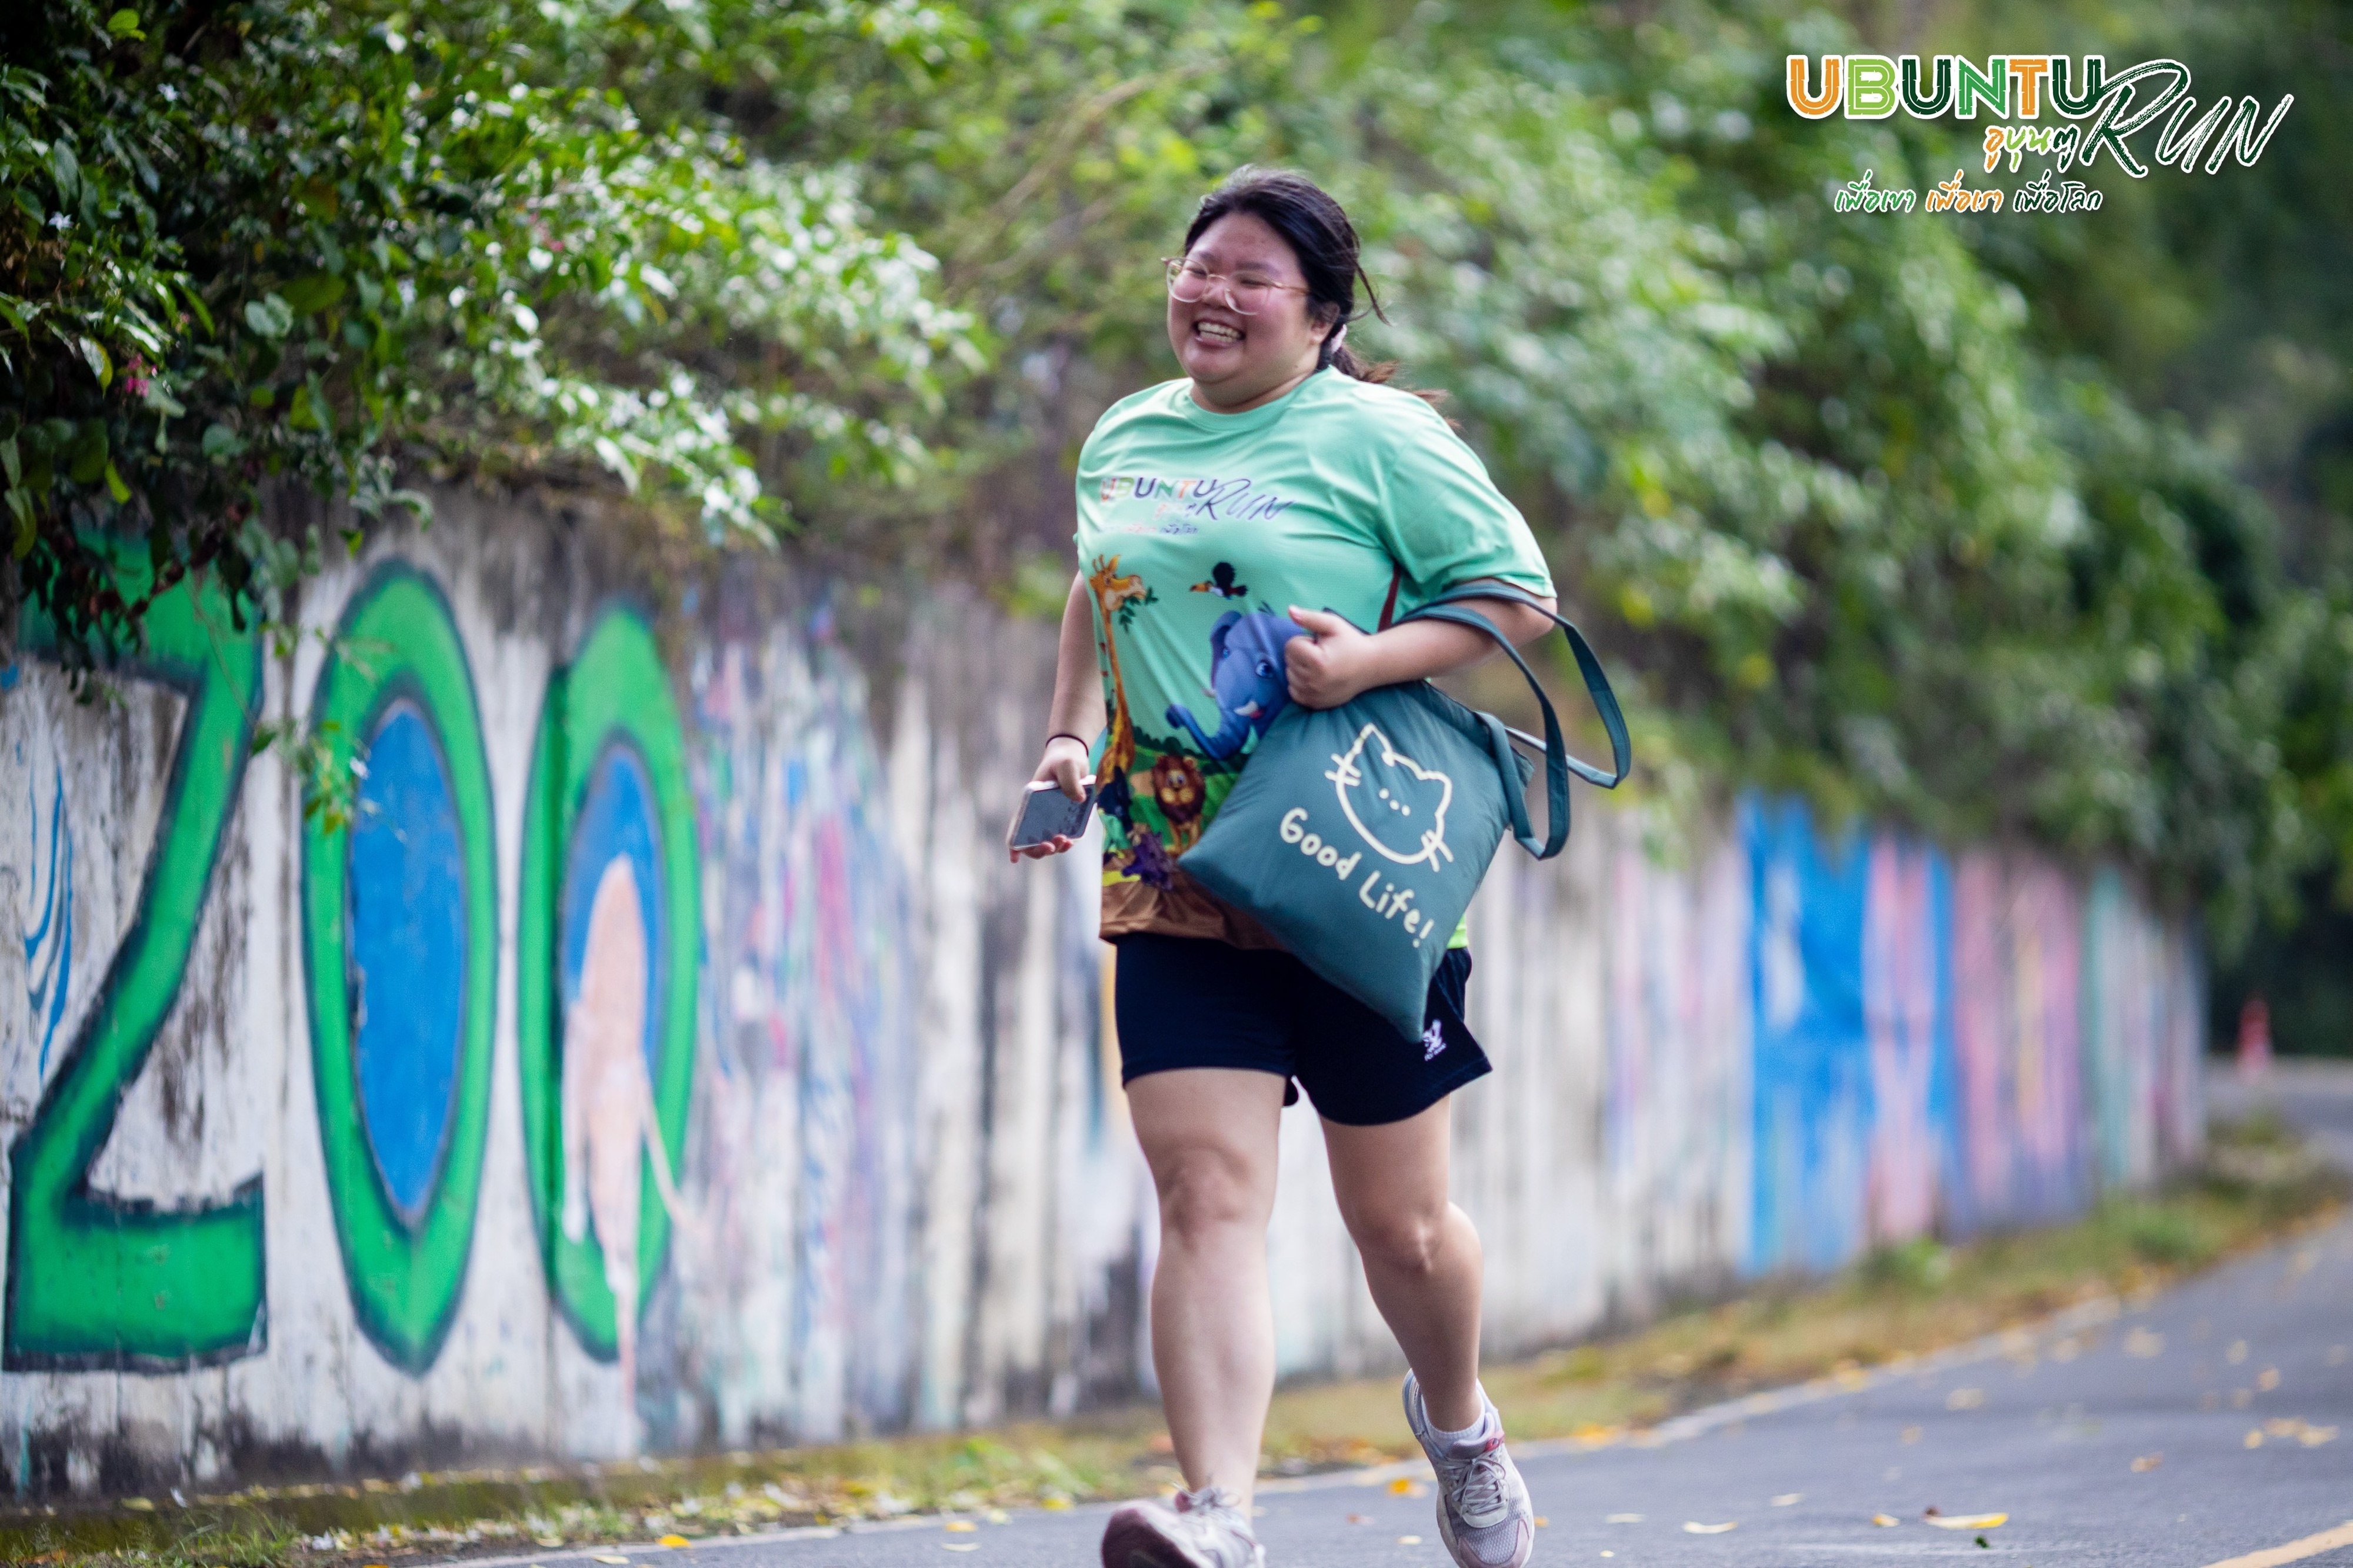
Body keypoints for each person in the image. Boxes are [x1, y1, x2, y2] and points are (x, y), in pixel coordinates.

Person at [1014, 166, 1559, 1568]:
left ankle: (1460, 1430)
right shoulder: (1127, 432)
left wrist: (1366, 663)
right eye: (1199, 267)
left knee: (1403, 1228)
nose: (1213, 293)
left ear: (1319, 317)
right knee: (1202, 1191)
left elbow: (1517, 597)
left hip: (1344, 868)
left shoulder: (1378, 436)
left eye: (1251, 278)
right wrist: (1069, 735)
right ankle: (1218, 1514)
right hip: (1174, 869)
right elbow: (1100, 582)